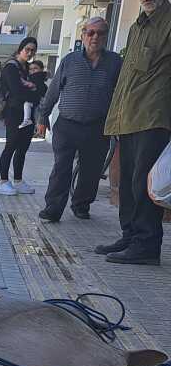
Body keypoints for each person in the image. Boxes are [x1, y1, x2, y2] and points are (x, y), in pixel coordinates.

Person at [99, 0, 171, 265]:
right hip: (127, 116)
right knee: (128, 181)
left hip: (153, 117)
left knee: (144, 183)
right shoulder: (137, 27)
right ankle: (130, 236)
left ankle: (145, 245)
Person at [37, 18, 122, 223]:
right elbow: (53, 90)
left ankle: (81, 205)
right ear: (83, 35)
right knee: (61, 168)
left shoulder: (115, 63)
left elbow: (121, 95)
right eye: (91, 32)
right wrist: (43, 117)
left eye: (100, 33)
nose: (95, 37)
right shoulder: (69, 61)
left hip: (97, 126)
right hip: (67, 125)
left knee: (91, 170)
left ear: (106, 37)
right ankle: (53, 209)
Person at [0, 36, 38, 195]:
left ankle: (18, 181)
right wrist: (32, 90)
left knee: (23, 148)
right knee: (11, 145)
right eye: (27, 49)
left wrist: (32, 91)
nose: (29, 52)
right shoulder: (11, 67)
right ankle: (3, 181)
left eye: (33, 50)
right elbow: (17, 91)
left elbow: (39, 90)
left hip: (28, 113)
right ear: (20, 49)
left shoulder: (27, 68)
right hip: (13, 113)